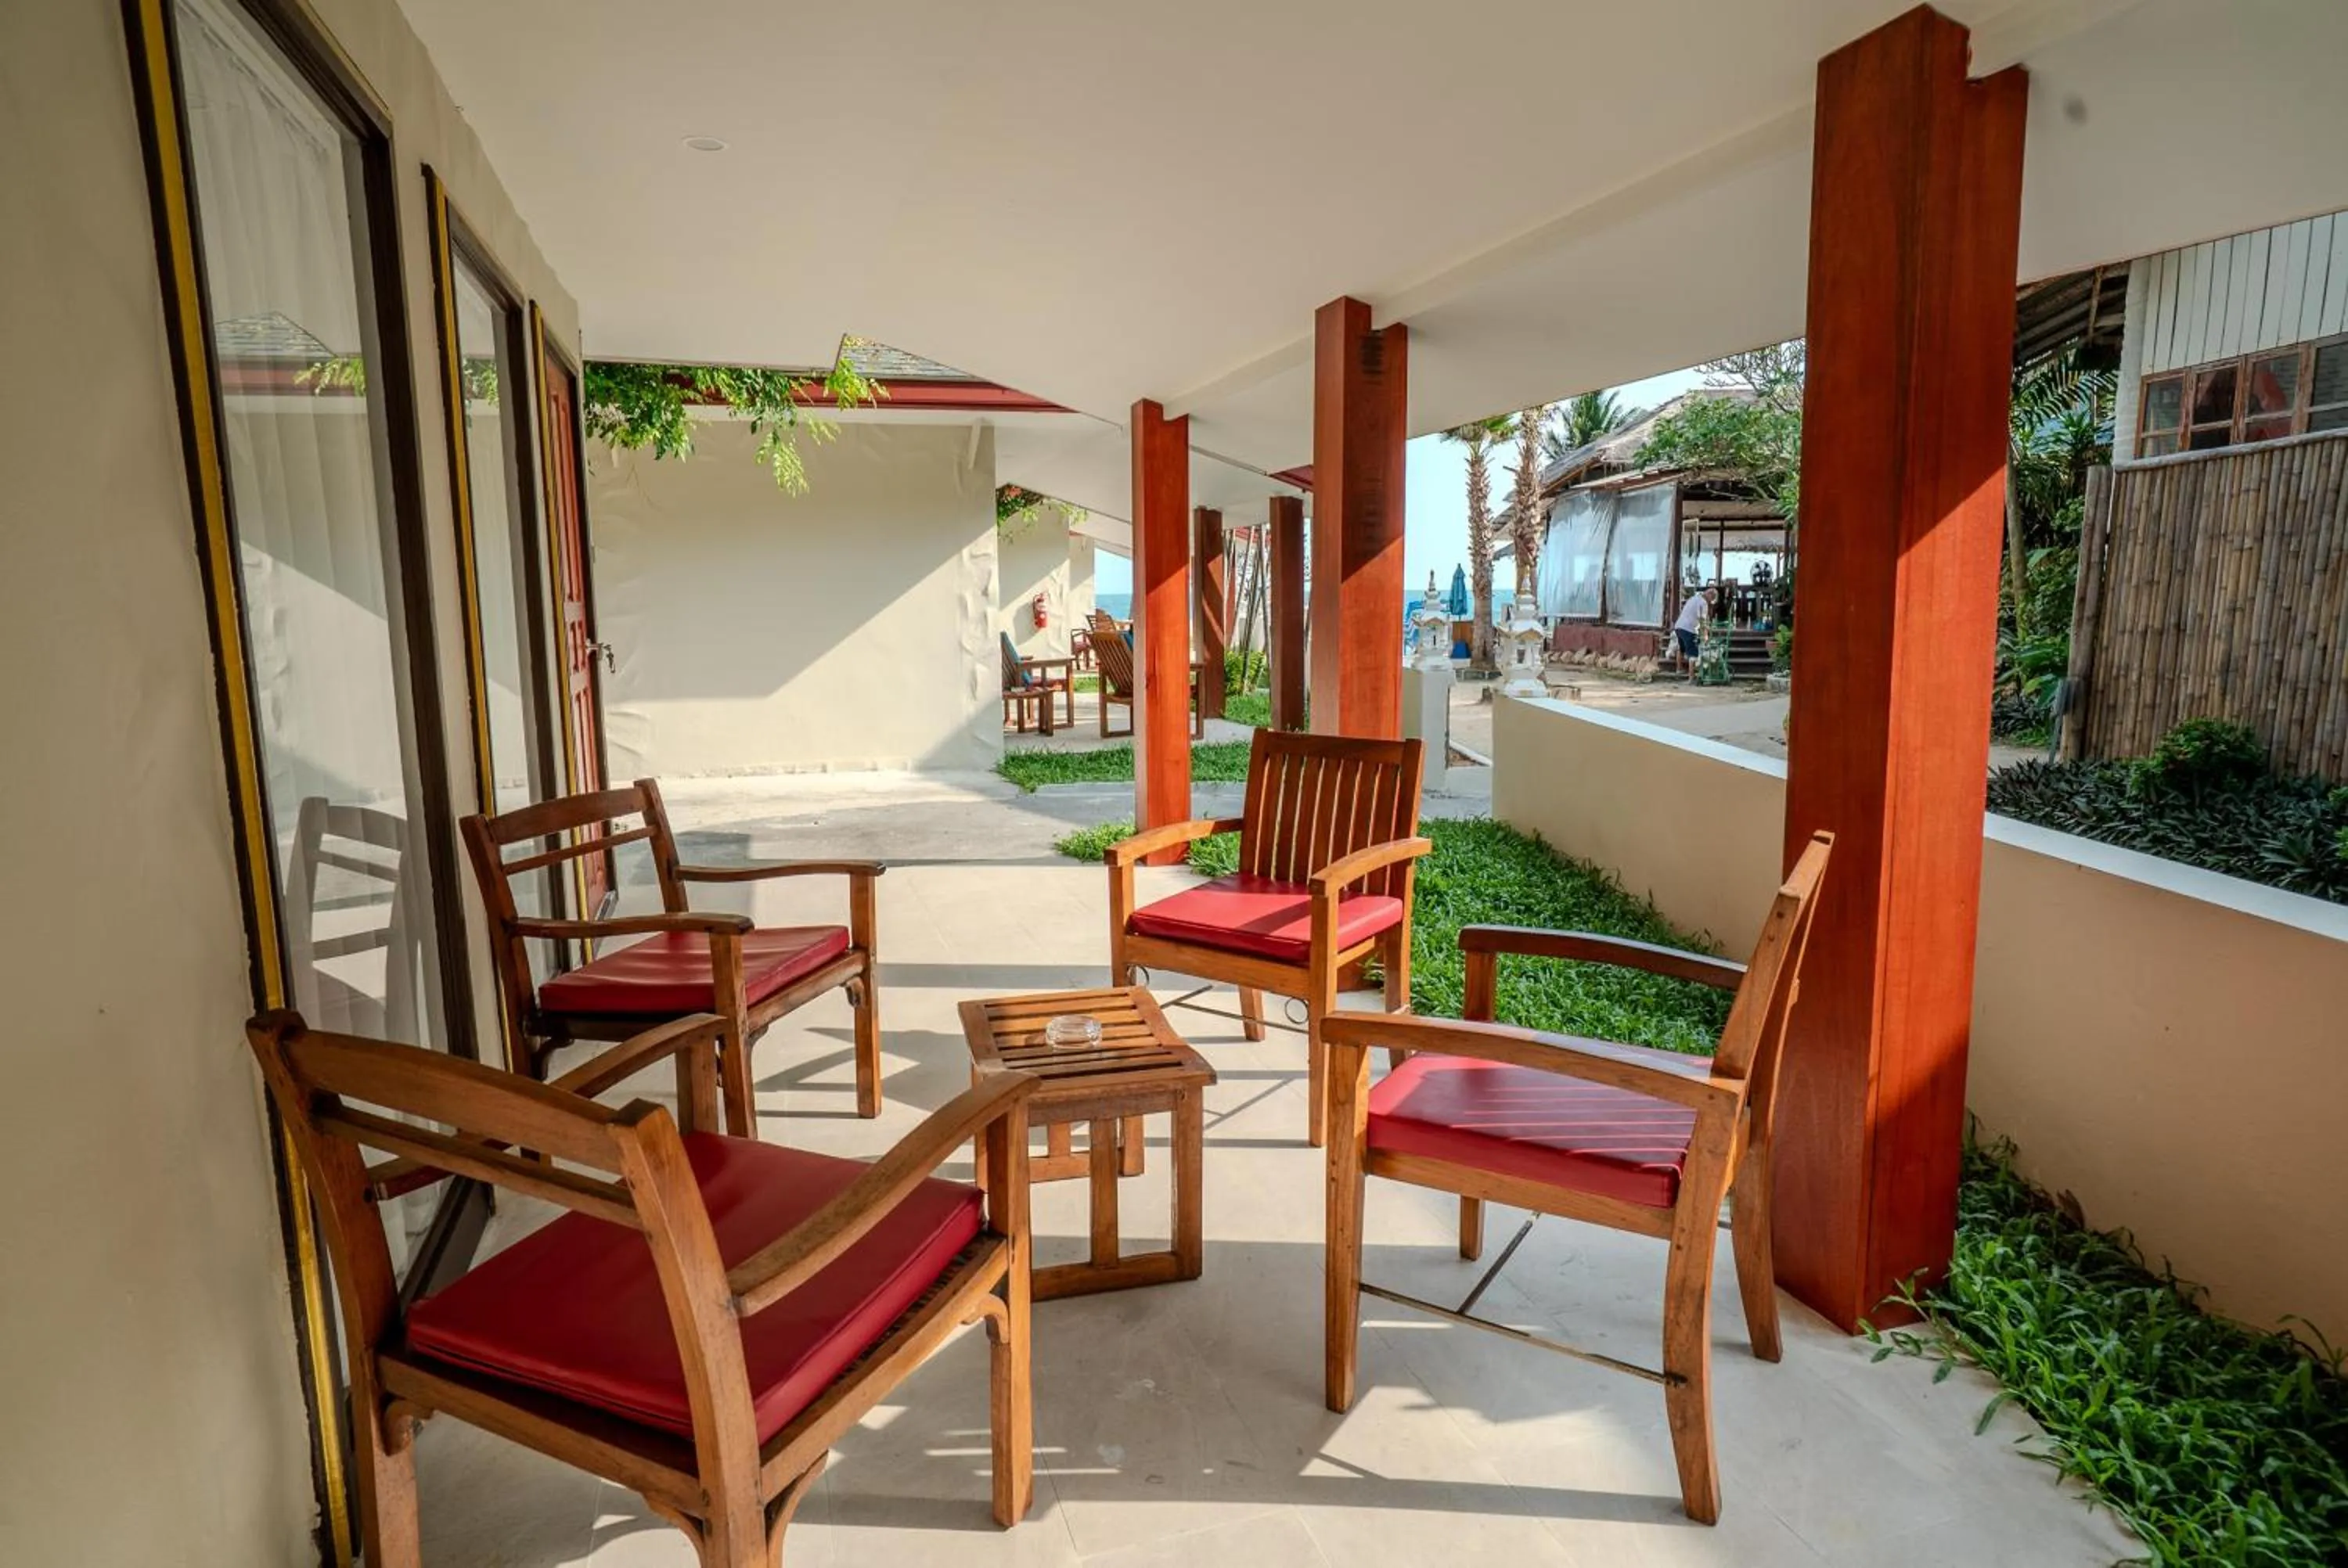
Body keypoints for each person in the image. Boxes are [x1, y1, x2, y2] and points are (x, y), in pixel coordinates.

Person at [1673, 585, 1712, 672]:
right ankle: (1691, 677)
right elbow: (1703, 621)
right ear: (1709, 595)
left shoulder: (1693, 598)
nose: (1710, 602)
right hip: (1689, 629)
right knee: (1693, 653)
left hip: (1679, 626)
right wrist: (1706, 635)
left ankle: (1679, 669)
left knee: (1681, 648)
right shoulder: (1704, 603)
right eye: (1711, 600)